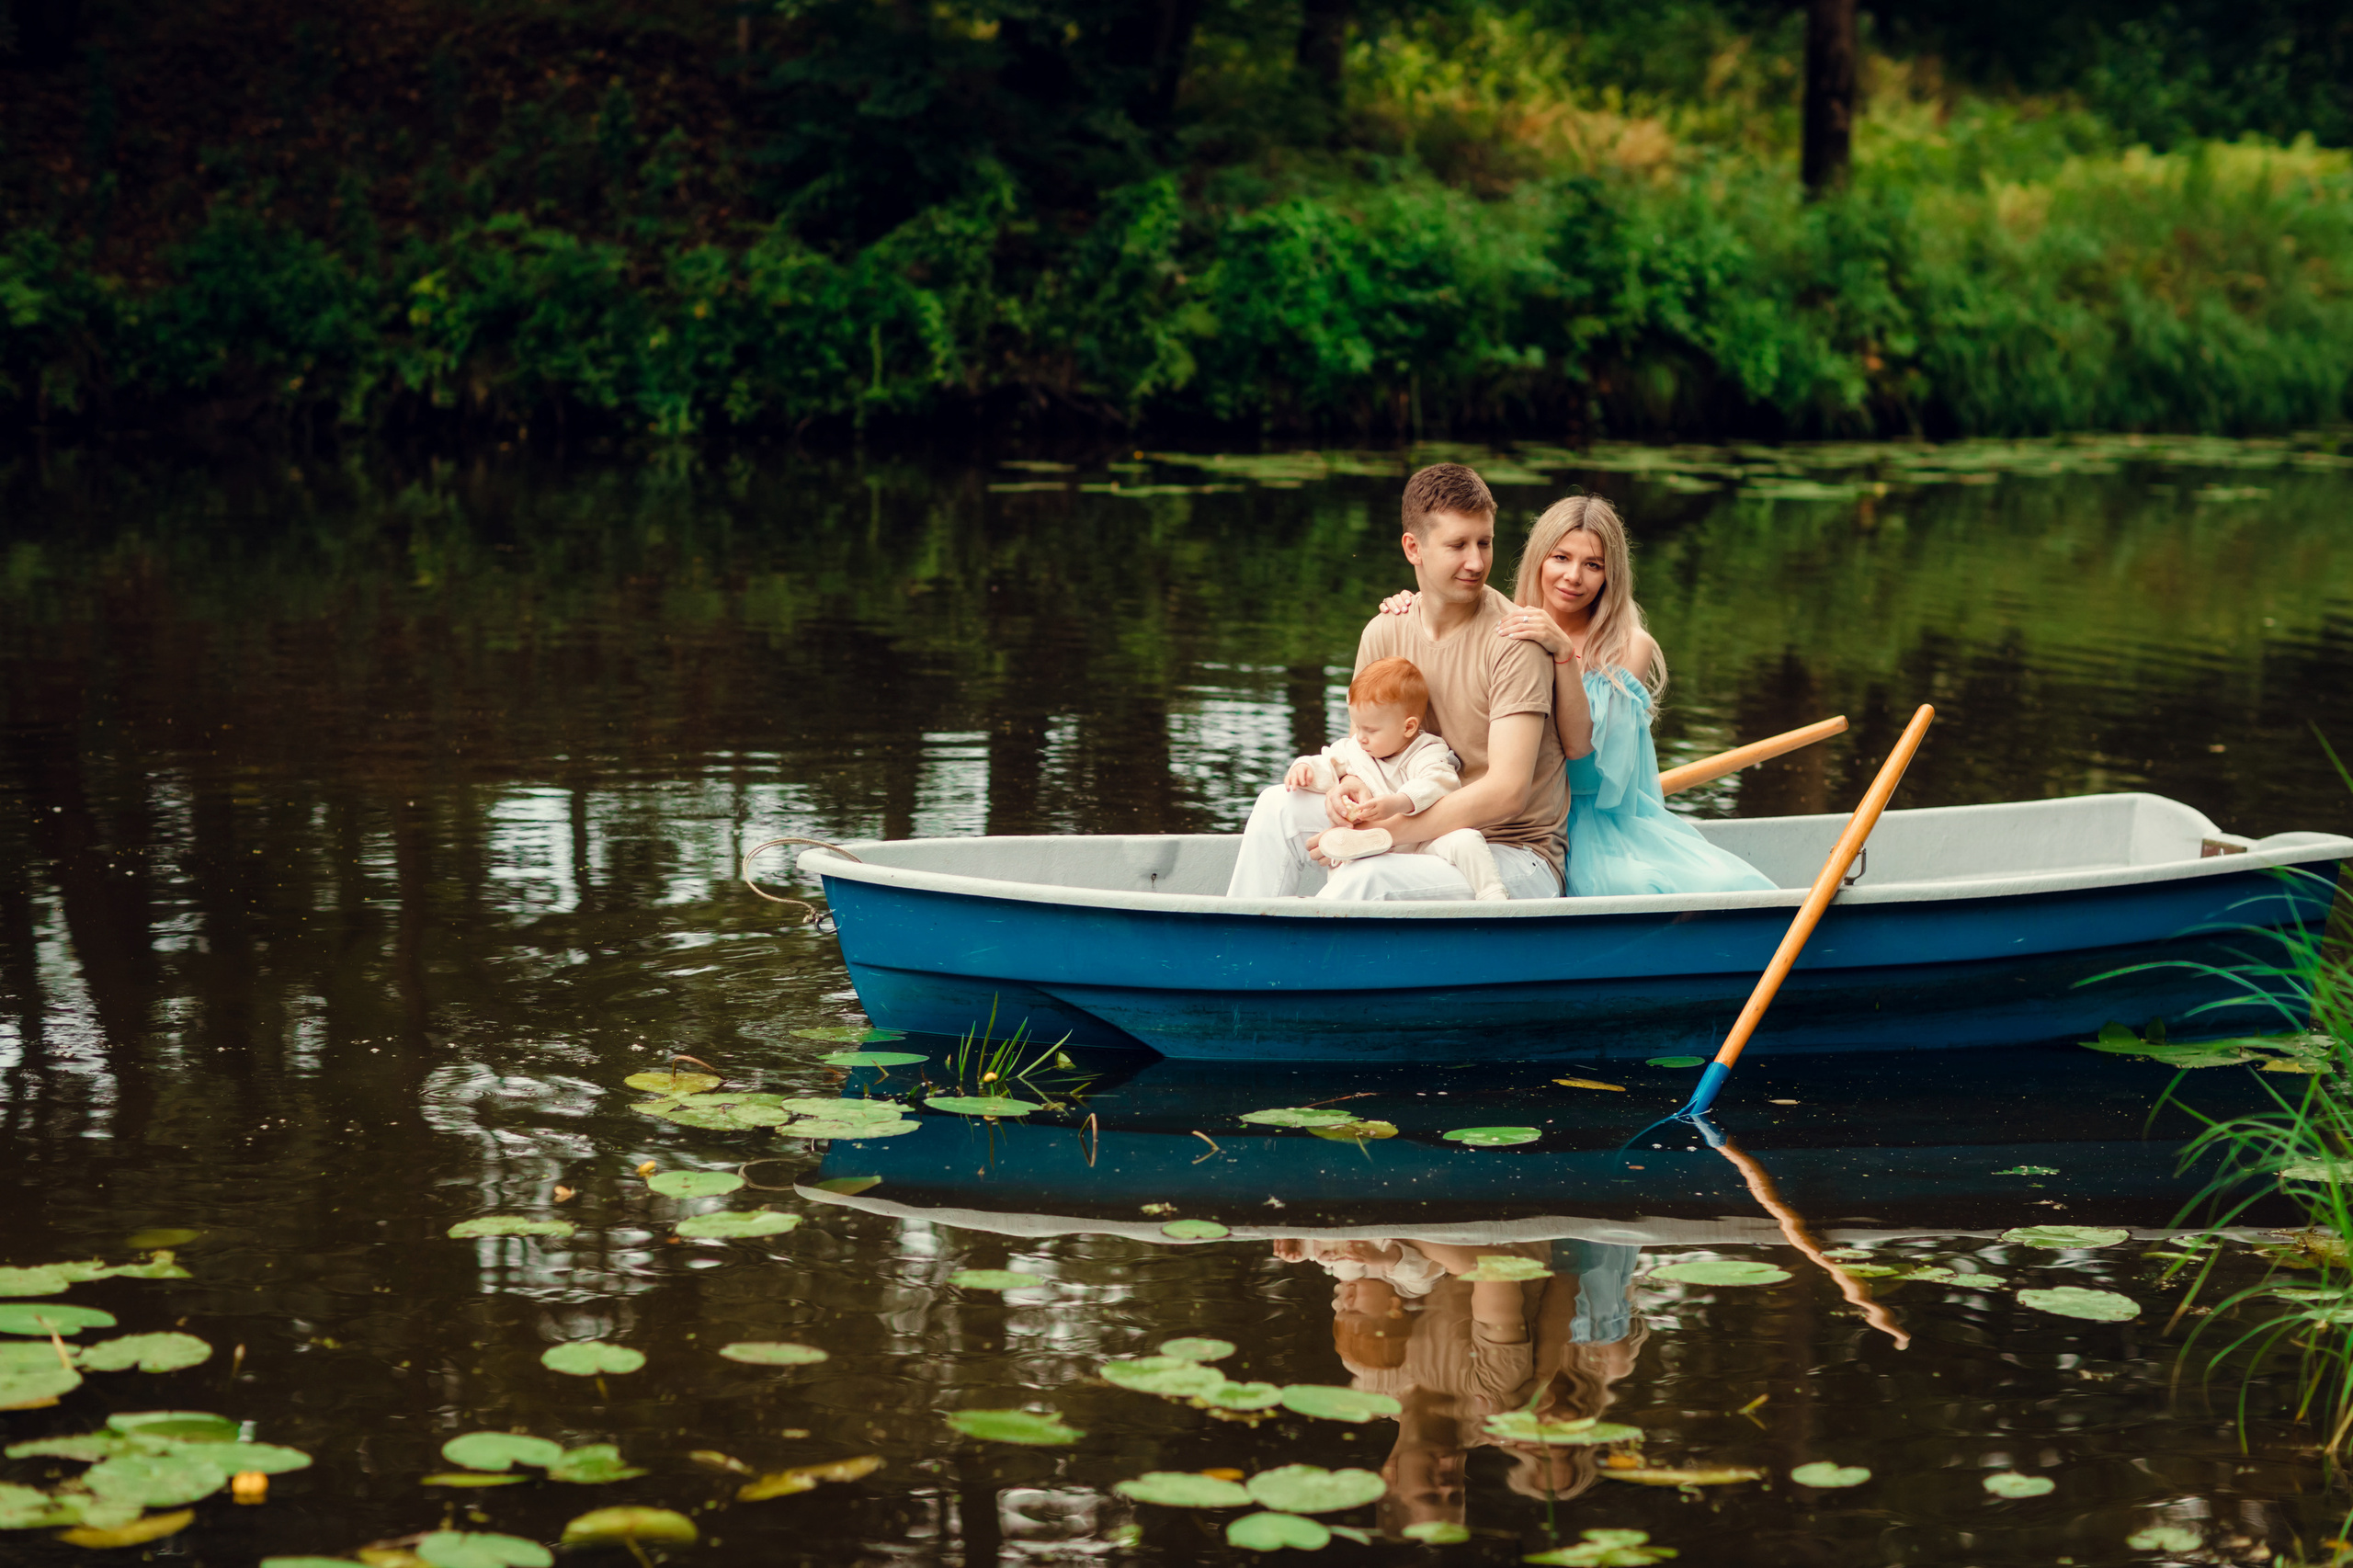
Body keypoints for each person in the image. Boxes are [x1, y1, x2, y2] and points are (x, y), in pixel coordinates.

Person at [1381, 495, 1773, 898]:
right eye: (1560, 558)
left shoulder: (1627, 647)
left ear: (1610, 575)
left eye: (1593, 565)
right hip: (1502, 814)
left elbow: (1584, 772)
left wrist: (1564, 657)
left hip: (1588, 823)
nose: (1573, 577)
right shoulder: (1504, 625)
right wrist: (1415, 603)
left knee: (1694, 887)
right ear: (1538, 559)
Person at [1225, 463, 1569, 903]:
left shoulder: (1514, 641)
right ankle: (1237, 952)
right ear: (1414, 548)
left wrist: (1387, 832)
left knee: (1368, 878)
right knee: (1278, 807)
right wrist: (1347, 790)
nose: (1477, 561)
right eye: (1457, 545)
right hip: (1407, 820)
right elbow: (1362, 750)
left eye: (1484, 542)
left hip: (1508, 854)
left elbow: (1507, 792)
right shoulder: (1385, 632)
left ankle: (1297, 966)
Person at [1285, 656, 1514, 902]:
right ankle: (1330, 906)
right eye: (1358, 726)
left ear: (1408, 727)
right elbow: (1328, 762)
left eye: (1370, 730)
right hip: (1375, 847)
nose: (1360, 737)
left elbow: (1439, 783)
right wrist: (1304, 767)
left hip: (1425, 841)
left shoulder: (1427, 750)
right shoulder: (1355, 749)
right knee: (1346, 856)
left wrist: (1398, 802)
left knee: (1466, 840)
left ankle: (1493, 897)